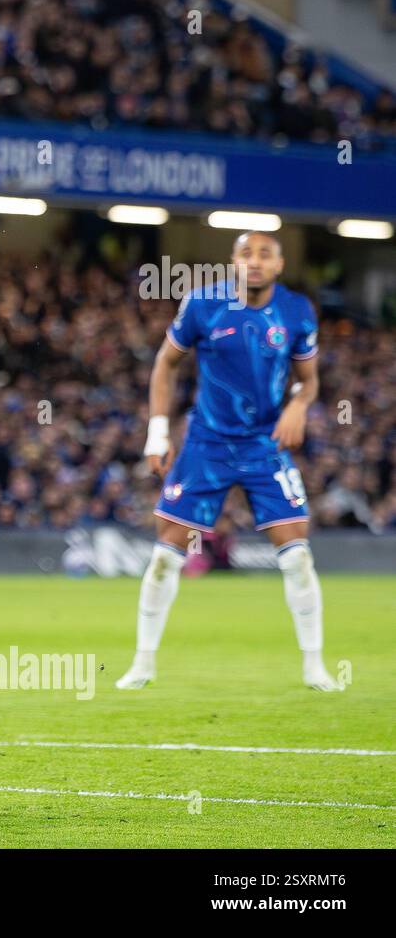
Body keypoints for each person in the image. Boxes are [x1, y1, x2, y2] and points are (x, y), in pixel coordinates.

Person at [118, 231, 342, 692]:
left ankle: (314, 667)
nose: (254, 262)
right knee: (165, 557)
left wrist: (299, 406)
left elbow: (308, 382)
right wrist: (158, 432)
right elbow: (165, 364)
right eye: (246, 253)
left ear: (279, 265)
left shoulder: (297, 311)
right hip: (207, 443)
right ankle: (142, 664)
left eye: (265, 255)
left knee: (297, 555)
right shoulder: (203, 304)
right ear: (232, 261)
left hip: (265, 443)